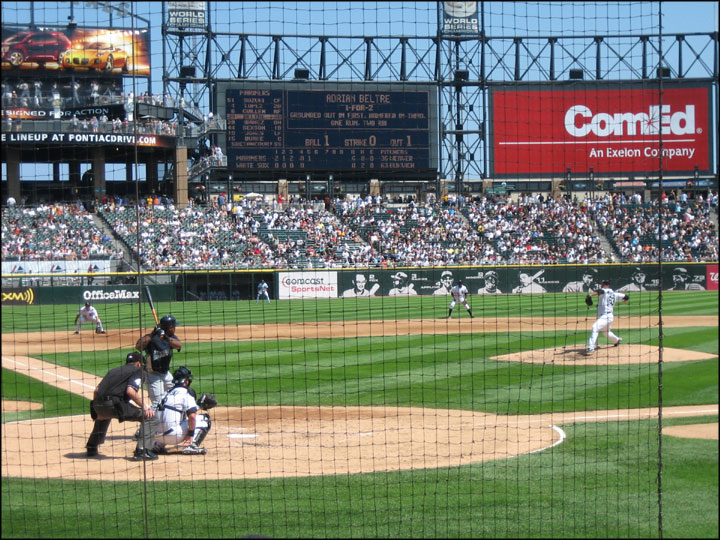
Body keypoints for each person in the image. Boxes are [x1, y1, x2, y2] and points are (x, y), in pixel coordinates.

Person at [85, 351, 160, 461]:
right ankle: (142, 451)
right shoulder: (139, 371)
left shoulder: (113, 371)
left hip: (97, 404)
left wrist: (98, 411)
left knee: (103, 418)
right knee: (150, 417)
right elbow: (130, 391)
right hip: (114, 404)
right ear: (139, 364)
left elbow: (96, 391)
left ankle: (91, 446)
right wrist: (145, 407)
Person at [151, 366, 211, 455]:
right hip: (173, 436)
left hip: (157, 436)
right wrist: (190, 434)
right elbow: (192, 416)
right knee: (205, 419)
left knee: (171, 417)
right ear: (185, 381)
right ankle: (191, 445)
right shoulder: (186, 393)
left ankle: (158, 445)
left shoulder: (166, 393)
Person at [135, 315, 182, 410]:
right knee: (157, 403)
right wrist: (152, 334)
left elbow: (178, 345)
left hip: (165, 373)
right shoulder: (151, 338)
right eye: (174, 326)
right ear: (170, 328)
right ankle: (152, 422)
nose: (175, 328)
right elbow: (138, 346)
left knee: (177, 393)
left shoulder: (170, 337)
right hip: (152, 375)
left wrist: (166, 338)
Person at [585, 279, 629, 354]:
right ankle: (617, 340)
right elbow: (626, 296)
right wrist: (624, 301)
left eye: (603, 284)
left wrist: (590, 295)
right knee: (606, 332)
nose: (602, 285)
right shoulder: (615, 294)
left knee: (595, 327)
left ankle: (590, 347)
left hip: (605, 316)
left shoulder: (605, 291)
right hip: (609, 316)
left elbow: (600, 291)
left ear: (607, 285)